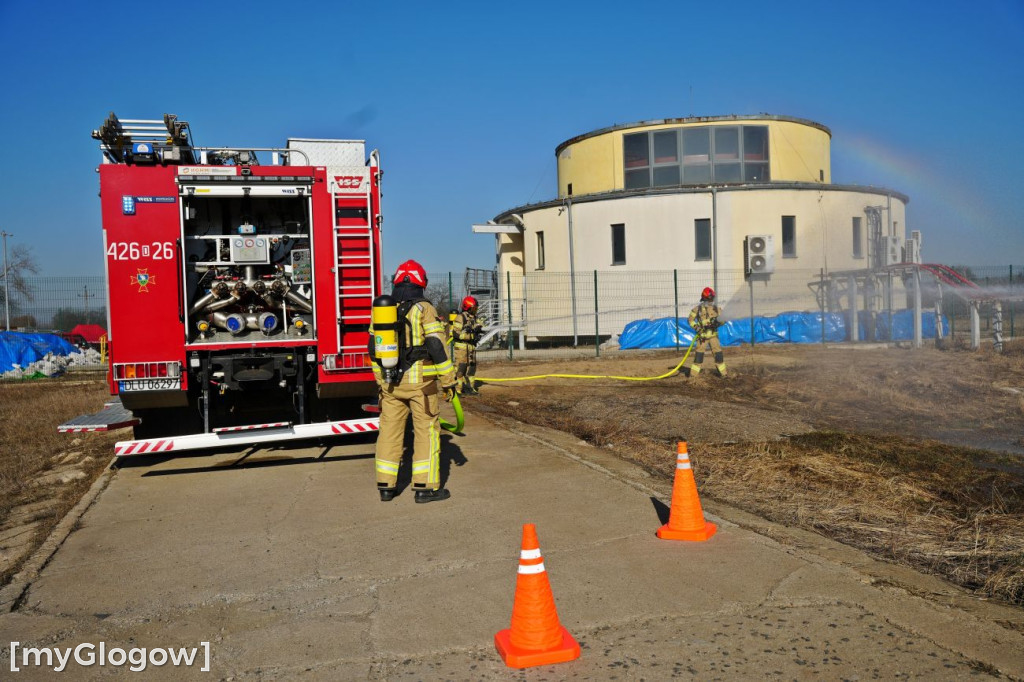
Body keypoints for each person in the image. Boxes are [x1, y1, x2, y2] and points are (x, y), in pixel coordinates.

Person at [369, 260, 458, 503]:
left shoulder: (381, 309)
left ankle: (386, 487)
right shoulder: (424, 308)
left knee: (389, 433)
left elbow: (372, 348)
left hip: (390, 383)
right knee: (426, 432)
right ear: (421, 282)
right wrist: (449, 381)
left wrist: (381, 380)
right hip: (421, 385)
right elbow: (436, 346)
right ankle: (425, 488)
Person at [681, 287, 727, 378]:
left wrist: (717, 323)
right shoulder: (697, 309)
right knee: (699, 356)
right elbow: (690, 320)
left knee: (718, 355)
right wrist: (697, 328)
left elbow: (724, 319)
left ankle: (723, 374)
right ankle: (693, 376)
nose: (710, 302)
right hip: (702, 336)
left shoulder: (717, 309)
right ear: (705, 298)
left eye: (711, 299)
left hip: (713, 336)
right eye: (709, 299)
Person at [452, 296, 483, 396]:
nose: (475, 310)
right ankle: (457, 390)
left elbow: (480, 325)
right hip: (461, 348)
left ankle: (470, 388)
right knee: (461, 368)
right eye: (474, 308)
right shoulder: (460, 317)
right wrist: (470, 336)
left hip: (471, 347)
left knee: (472, 368)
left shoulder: (474, 318)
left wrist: (479, 329)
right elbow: (455, 334)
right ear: (467, 307)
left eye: (476, 308)